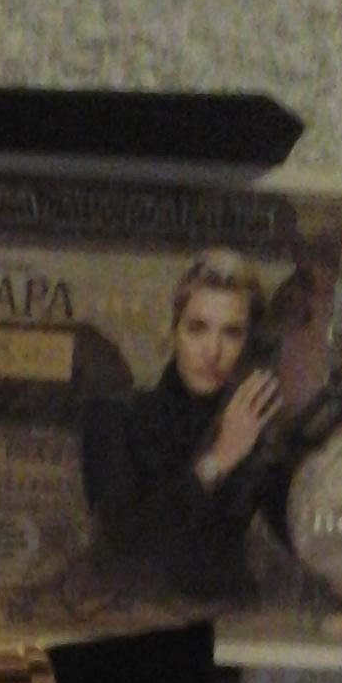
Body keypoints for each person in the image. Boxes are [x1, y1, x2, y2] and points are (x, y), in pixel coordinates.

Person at [80, 250, 283, 602]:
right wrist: (219, 460)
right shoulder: (115, 417)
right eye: (197, 328)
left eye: (232, 333)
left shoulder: (256, 428)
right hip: (131, 616)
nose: (213, 351)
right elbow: (126, 539)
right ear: (174, 331)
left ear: (250, 344)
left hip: (233, 619)